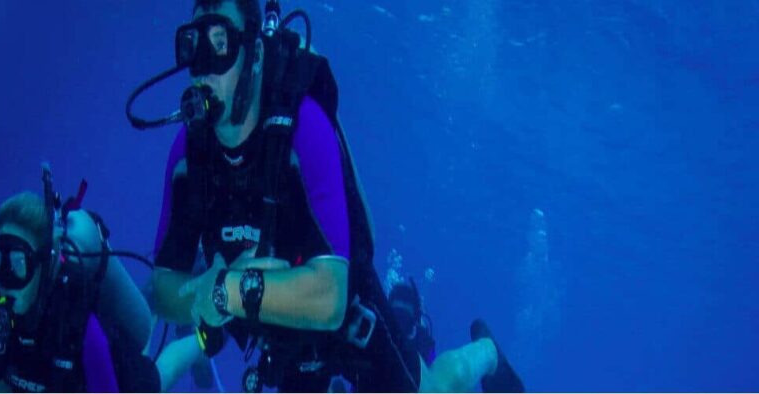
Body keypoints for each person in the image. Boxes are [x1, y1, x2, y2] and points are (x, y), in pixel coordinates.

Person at [143, 0, 525, 391]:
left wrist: (227, 289)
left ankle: (486, 353)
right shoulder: (187, 157)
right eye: (192, 45)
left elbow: (330, 297)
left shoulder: (303, 127)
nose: (204, 65)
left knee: (435, 389)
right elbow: (163, 289)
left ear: (255, 53)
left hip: (349, 315)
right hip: (277, 330)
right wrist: (227, 291)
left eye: (219, 41)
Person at [0, 191, 159, 392]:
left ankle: (195, 338)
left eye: (18, 263)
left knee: (157, 377)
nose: (6, 281)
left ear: (43, 266)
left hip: (118, 376)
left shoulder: (78, 319)